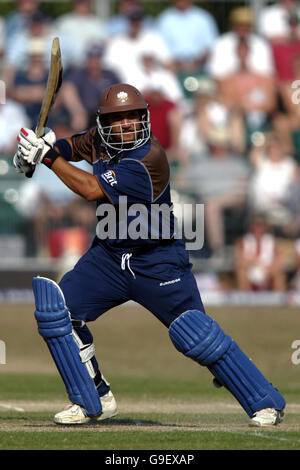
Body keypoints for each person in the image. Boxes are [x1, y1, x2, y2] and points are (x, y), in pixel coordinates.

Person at [13, 83, 285, 427]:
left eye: (133, 116)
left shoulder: (148, 158)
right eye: (118, 118)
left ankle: (265, 402)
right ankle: (93, 397)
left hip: (158, 259)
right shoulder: (99, 139)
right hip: (109, 257)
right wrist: (48, 146)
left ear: (144, 118)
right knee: (57, 311)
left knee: (197, 337)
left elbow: (89, 188)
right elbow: (74, 145)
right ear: (104, 123)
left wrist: (46, 157)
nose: (127, 124)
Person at [234, 214, 286, 291]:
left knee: (278, 273)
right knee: (241, 271)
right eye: (256, 225)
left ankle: (279, 299)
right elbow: (240, 260)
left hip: (268, 270)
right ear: (251, 226)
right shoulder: (242, 241)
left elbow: (279, 261)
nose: (258, 228)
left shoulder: (273, 242)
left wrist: (267, 270)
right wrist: (256, 262)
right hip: (250, 271)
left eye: (261, 225)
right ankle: (245, 298)